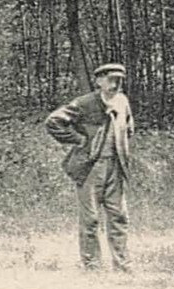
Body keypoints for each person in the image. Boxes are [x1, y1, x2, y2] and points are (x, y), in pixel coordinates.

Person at [45, 62, 134, 272]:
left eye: (119, 79)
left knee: (119, 217)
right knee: (91, 219)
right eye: (111, 79)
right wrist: (79, 140)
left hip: (115, 167)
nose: (116, 83)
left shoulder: (122, 102)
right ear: (99, 81)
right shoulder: (85, 103)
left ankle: (122, 265)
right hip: (91, 167)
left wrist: (122, 148)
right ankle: (92, 266)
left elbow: (129, 127)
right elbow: (54, 121)